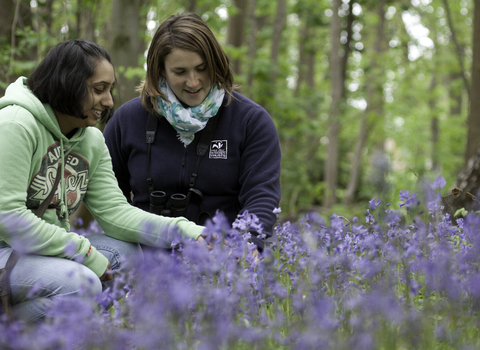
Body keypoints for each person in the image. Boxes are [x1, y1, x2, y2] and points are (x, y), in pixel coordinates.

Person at [0, 39, 205, 323]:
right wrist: (82, 251)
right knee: (81, 283)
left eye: (109, 90)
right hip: (5, 251)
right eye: (99, 90)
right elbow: (9, 218)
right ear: (67, 83)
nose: (109, 101)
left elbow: (115, 213)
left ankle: (54, 329)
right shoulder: (15, 124)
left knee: (129, 256)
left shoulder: (91, 140)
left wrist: (188, 232)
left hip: (40, 253)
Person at [103, 13, 281, 250]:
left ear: (216, 64)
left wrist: (243, 247)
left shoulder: (251, 122)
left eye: (202, 68)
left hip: (222, 253)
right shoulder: (127, 120)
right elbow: (108, 200)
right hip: (143, 256)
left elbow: (261, 197)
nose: (194, 82)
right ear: (160, 71)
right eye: (180, 72)